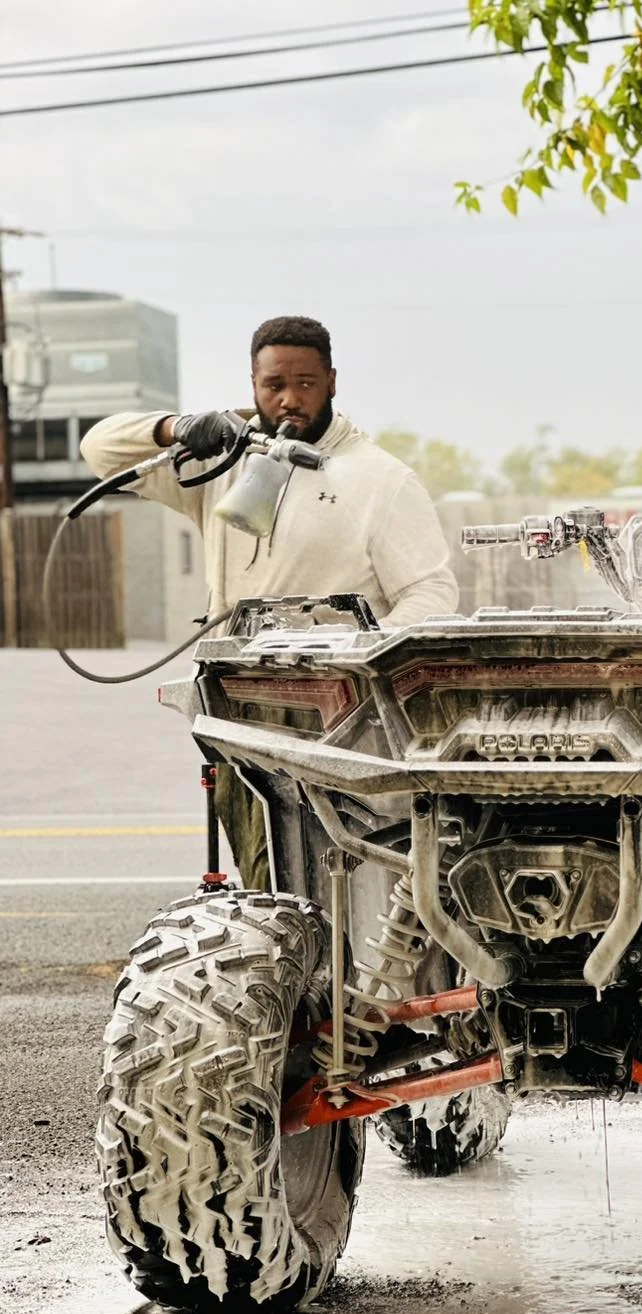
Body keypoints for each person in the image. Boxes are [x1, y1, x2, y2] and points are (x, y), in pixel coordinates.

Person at [81, 314, 460, 890]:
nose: (289, 400)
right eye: (273, 385)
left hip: (338, 711)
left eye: (305, 384)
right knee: (263, 874)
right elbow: (98, 449)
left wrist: (360, 655)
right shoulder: (221, 464)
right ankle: (284, 975)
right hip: (233, 703)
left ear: (333, 381)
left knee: (343, 874)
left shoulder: (379, 478)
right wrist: (176, 428)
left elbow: (431, 592)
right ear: (252, 384)